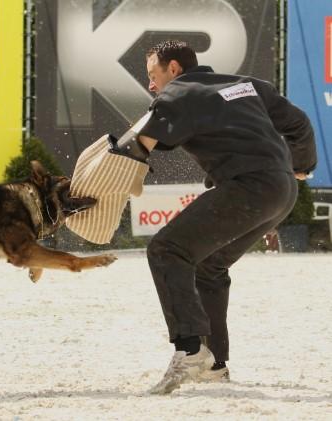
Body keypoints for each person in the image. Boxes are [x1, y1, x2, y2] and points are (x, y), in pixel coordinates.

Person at [112, 40, 317, 394]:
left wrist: (99, 181)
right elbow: (299, 124)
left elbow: (135, 145)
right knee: (208, 265)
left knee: (166, 249)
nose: (151, 84)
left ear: (173, 69)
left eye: (152, 74)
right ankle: (214, 365)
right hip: (283, 190)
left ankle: (191, 351)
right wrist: (301, 167)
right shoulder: (248, 84)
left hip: (247, 187)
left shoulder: (177, 94)